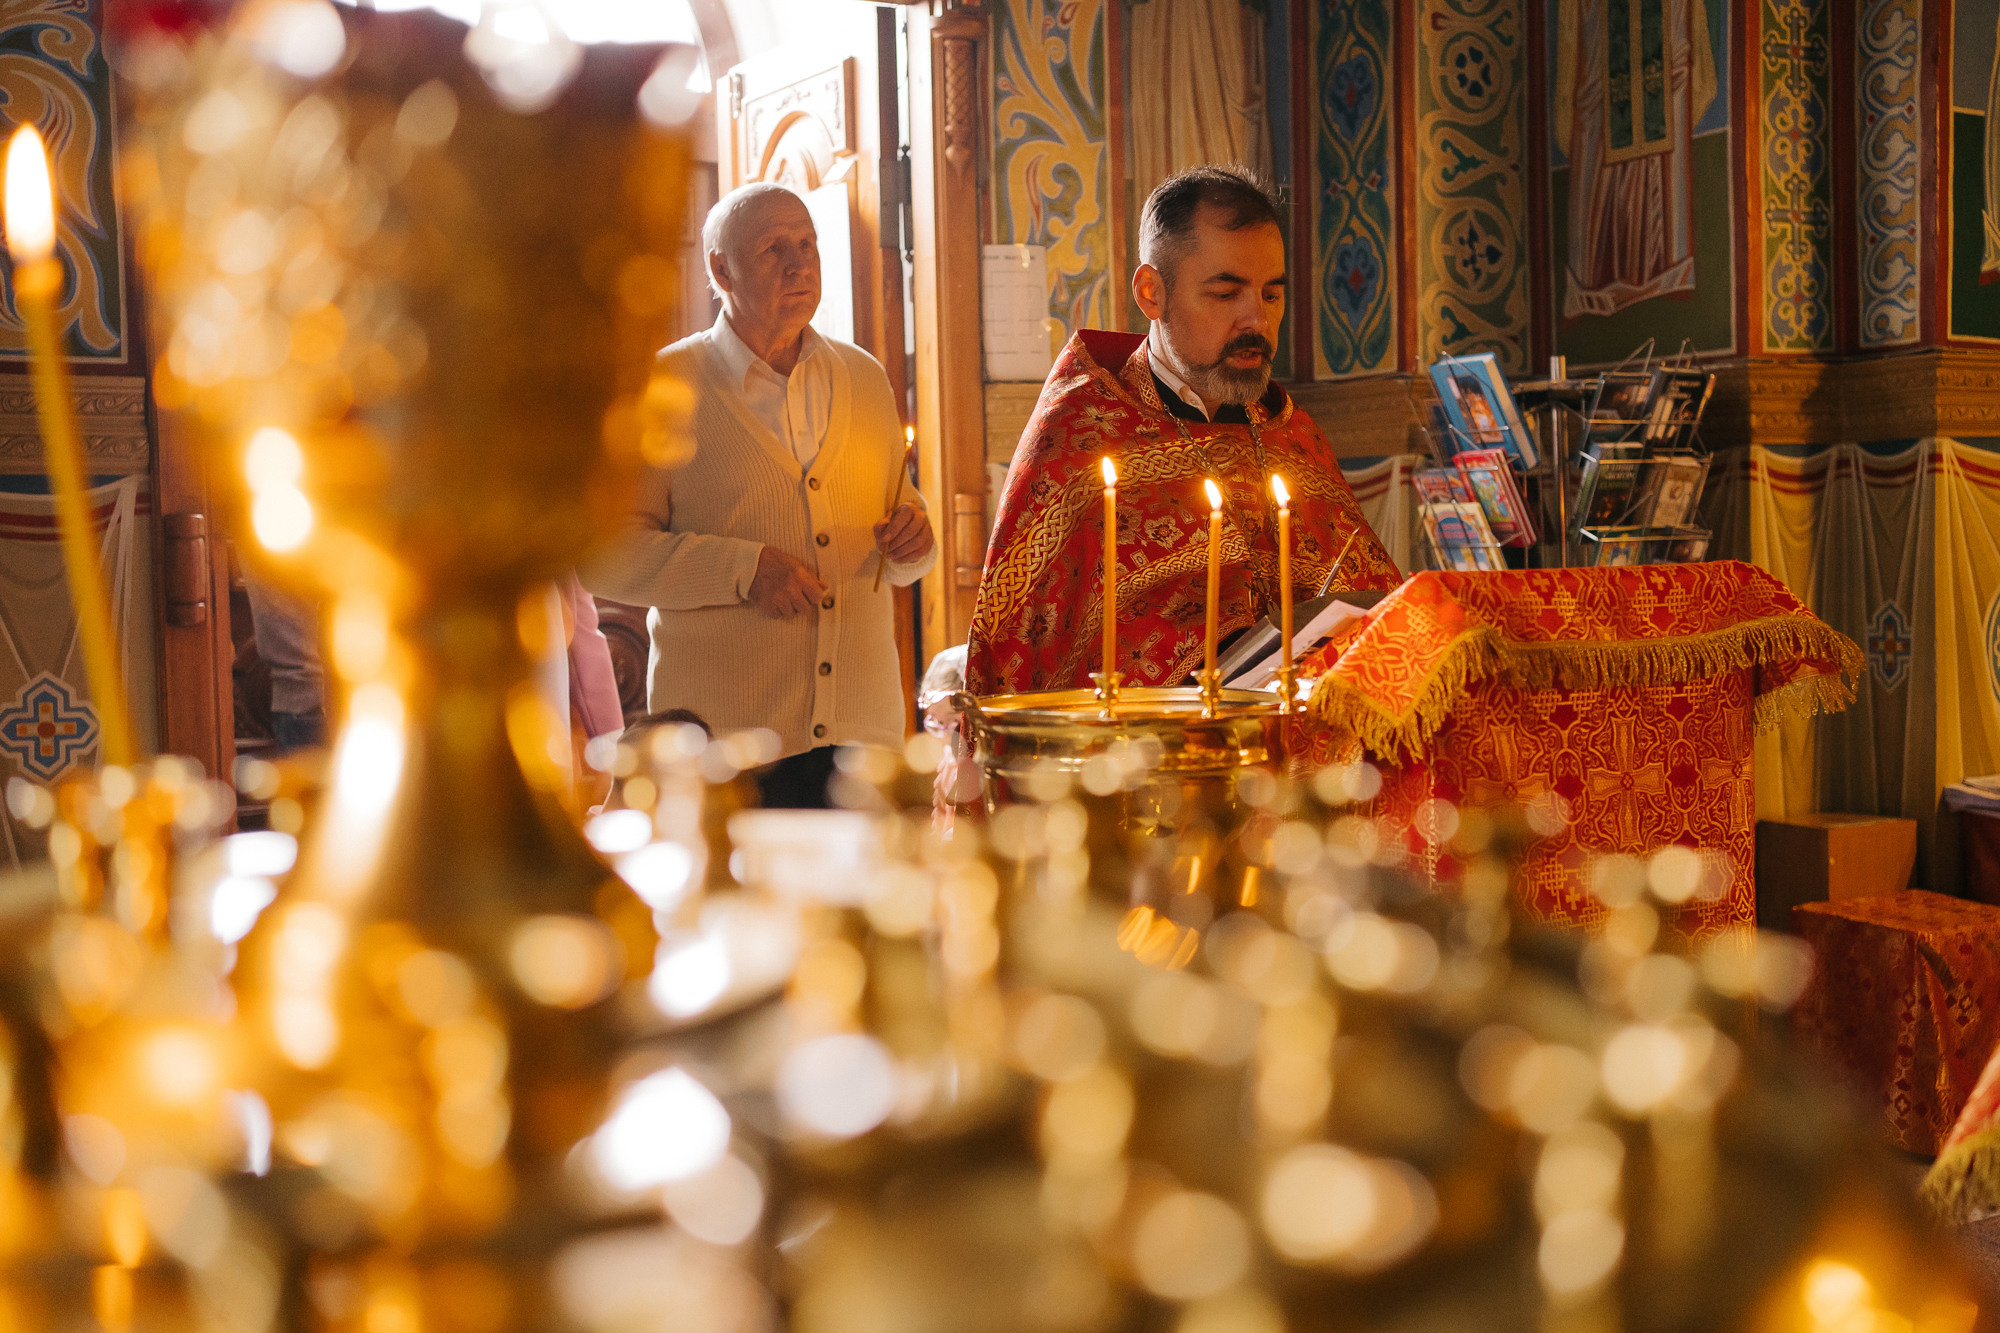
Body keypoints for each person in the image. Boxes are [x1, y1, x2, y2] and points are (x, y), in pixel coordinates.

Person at [965, 165, 1399, 696]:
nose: (1256, 322)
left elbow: (1380, 613)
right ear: (1152, 293)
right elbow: (1016, 654)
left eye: (1271, 295)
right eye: (1225, 294)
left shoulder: (1293, 435)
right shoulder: (1080, 438)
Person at [582, 182, 935, 809]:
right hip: (729, 754)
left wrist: (916, 539)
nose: (799, 264)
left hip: (865, 748)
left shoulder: (865, 378)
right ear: (721, 268)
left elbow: (904, 544)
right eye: (774, 248)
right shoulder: (664, 388)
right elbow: (604, 556)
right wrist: (742, 570)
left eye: (807, 244)